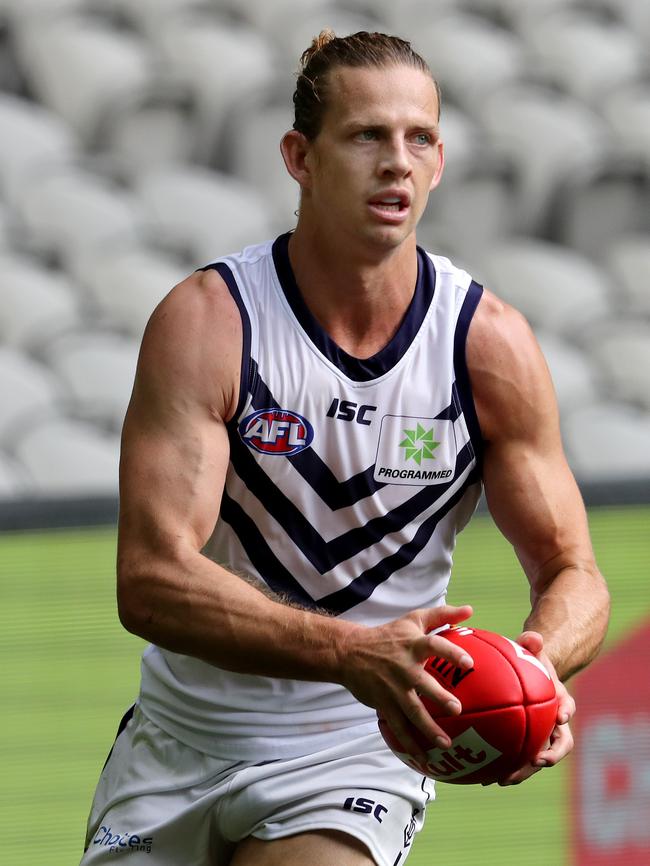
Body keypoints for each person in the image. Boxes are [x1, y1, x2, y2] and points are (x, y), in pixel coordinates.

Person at [80, 30, 610, 866]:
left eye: (420, 139)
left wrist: (533, 670)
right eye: (367, 135)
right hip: (181, 742)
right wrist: (354, 652)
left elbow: (573, 568)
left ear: (439, 162)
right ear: (300, 156)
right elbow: (149, 584)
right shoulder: (211, 323)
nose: (397, 162)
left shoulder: (487, 345)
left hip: (354, 752)